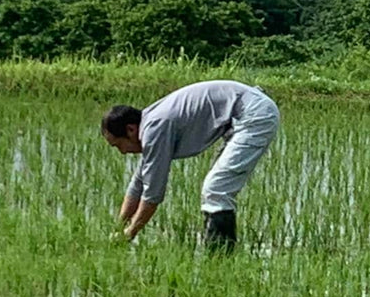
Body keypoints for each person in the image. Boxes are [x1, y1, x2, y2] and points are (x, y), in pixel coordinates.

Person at [101, 80, 280, 251]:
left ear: (130, 130)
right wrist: (119, 226)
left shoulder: (155, 127)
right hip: (242, 114)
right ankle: (219, 256)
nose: (123, 152)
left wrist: (130, 233)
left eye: (118, 145)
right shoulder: (152, 124)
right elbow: (138, 182)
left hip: (254, 114)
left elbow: (152, 194)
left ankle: (220, 258)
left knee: (216, 189)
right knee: (215, 188)